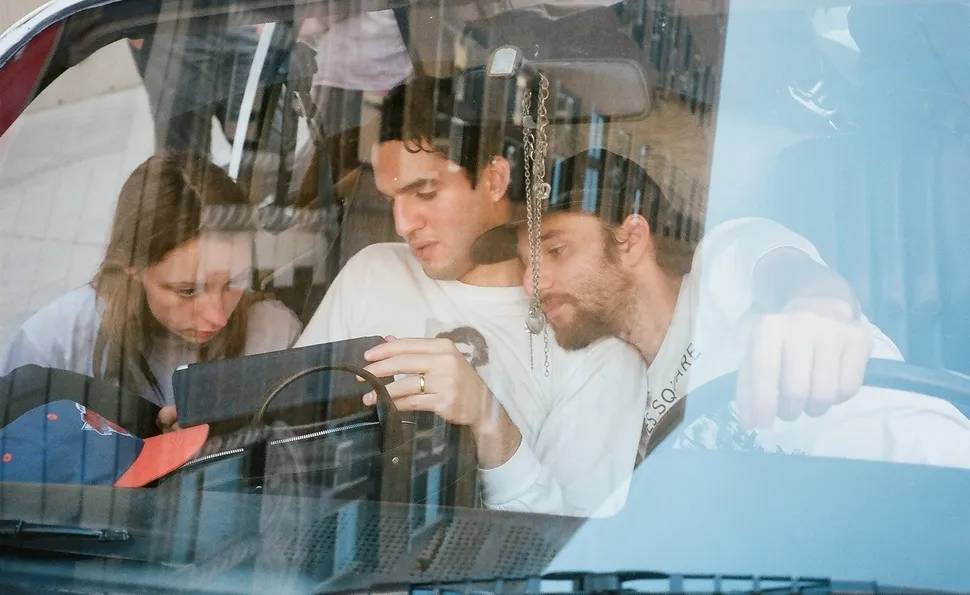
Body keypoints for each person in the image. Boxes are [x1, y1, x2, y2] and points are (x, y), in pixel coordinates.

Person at [470, 149, 970, 466]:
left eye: (555, 251)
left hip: (934, 498)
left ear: (630, 239)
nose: (535, 284)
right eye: (525, 264)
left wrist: (819, 310)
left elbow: (802, 282)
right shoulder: (619, 408)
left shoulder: (722, 270)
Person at [295, 76, 648, 518]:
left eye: (425, 193)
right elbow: (283, 420)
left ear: (495, 178)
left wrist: (487, 418)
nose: (403, 224)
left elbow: (568, 551)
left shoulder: (589, 344)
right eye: (391, 199)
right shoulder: (373, 270)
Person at [0, 152, 303, 432]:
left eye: (234, 282)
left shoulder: (276, 336)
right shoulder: (53, 348)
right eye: (187, 291)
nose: (218, 316)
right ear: (132, 264)